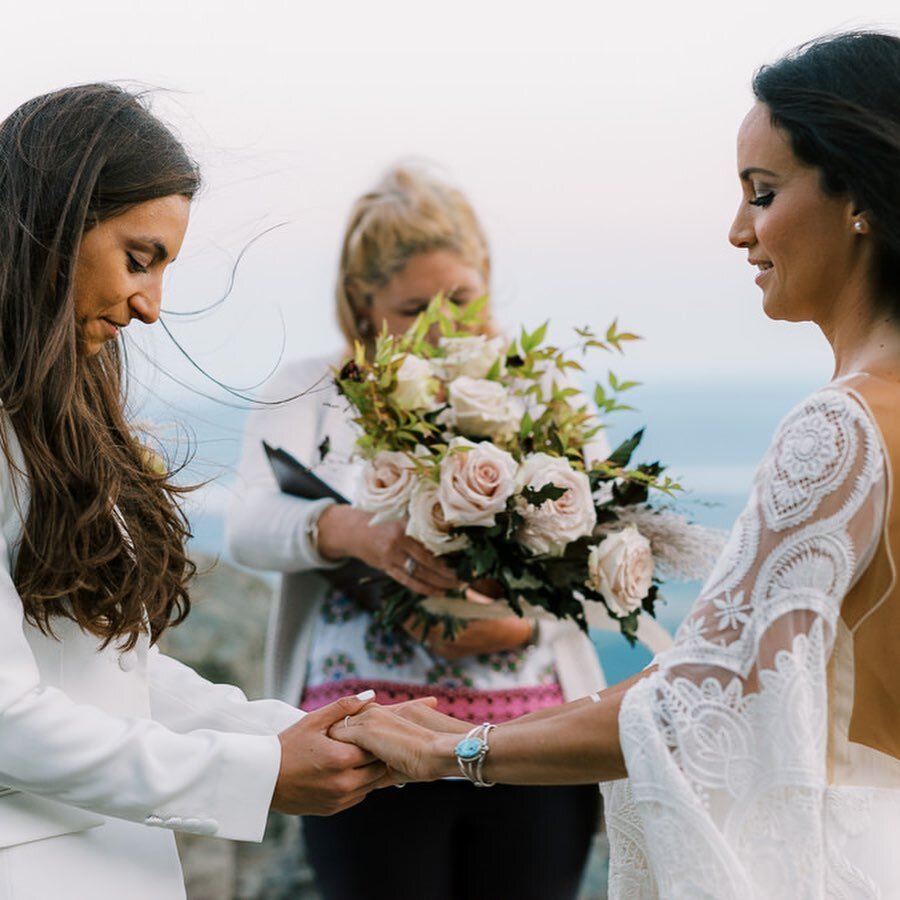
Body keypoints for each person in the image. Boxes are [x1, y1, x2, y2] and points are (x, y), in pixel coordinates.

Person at [332, 31, 900, 899]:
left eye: (764, 192)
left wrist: (451, 750)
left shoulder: (843, 427)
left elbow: (702, 705)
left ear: (858, 194)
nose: (739, 229)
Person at [226, 165, 669, 899]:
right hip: (362, 746)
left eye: (460, 298)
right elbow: (246, 528)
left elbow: (616, 556)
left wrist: (521, 627)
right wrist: (347, 529)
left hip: (533, 741)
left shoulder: (544, 393)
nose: (443, 327)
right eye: (412, 307)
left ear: (487, 281)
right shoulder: (309, 388)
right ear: (362, 305)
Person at [0, 83, 391, 900]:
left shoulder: (51, 425)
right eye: (138, 258)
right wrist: (256, 775)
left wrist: (300, 732)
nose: (152, 307)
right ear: (49, 224)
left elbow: (115, 679)